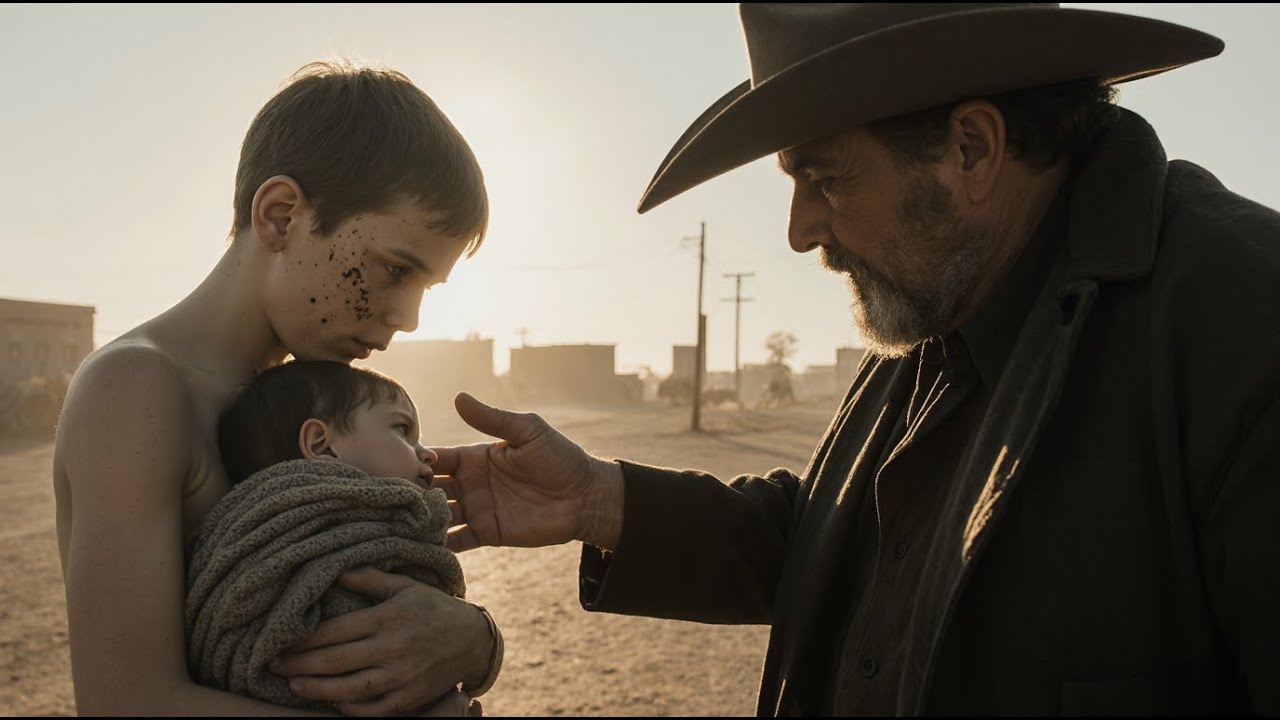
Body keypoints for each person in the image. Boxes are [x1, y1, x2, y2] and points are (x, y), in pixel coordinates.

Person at [430, 3, 1280, 716]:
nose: (800, 230)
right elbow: (847, 538)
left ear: (973, 149)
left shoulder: (1243, 317)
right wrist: (601, 500)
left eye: (826, 179)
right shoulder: (935, 302)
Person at [53, 59, 499, 716]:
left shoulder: (311, 393)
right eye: (395, 269)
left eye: (424, 288)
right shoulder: (136, 387)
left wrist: (477, 641)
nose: (407, 317)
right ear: (282, 215)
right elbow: (126, 702)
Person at [186, 360, 502, 711]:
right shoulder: (261, 531)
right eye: (402, 429)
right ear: (321, 445)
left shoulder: (229, 528)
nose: (428, 453)